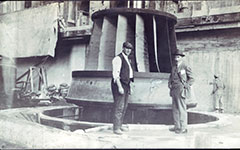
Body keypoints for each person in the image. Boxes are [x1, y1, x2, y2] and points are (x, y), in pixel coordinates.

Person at [168, 49, 194, 134]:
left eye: (178, 56)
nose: (176, 57)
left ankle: (184, 128)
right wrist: (169, 84)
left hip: (181, 89)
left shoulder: (185, 66)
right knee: (175, 109)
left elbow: (192, 79)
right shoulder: (174, 67)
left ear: (181, 57)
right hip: (174, 89)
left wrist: (186, 86)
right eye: (175, 56)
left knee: (182, 109)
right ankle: (177, 127)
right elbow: (171, 77)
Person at [111, 41, 134, 135]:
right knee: (119, 106)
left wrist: (130, 87)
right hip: (119, 84)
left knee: (124, 106)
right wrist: (120, 87)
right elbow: (115, 75)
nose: (128, 50)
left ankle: (119, 125)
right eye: (127, 48)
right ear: (123, 48)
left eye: (130, 49)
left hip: (126, 85)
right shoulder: (118, 59)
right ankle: (116, 128)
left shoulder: (128, 59)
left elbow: (130, 74)